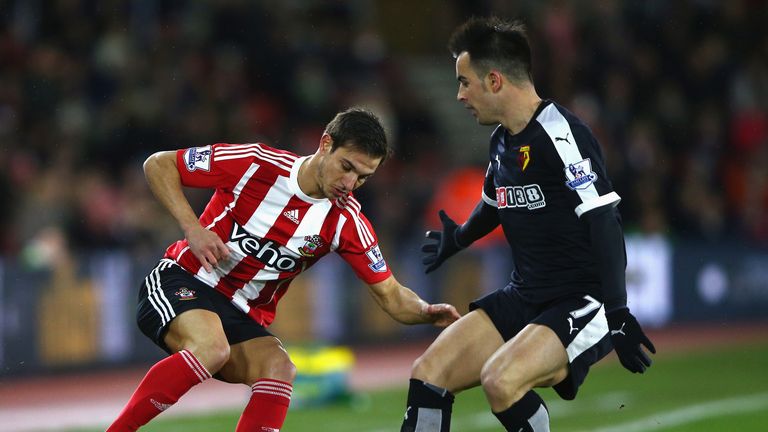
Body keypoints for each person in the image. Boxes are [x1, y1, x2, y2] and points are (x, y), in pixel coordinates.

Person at [107, 107, 460, 432]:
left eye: (363, 178)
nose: (350, 184)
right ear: (325, 144)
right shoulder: (256, 164)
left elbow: (391, 295)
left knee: (280, 368)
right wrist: (193, 229)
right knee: (211, 348)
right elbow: (158, 164)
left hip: (241, 313)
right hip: (183, 280)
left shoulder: (345, 222)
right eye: (347, 167)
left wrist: (428, 312)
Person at [399, 17, 655, 432]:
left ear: (495, 81)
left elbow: (605, 221)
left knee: (501, 380)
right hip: (526, 293)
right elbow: (493, 205)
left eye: (465, 82)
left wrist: (618, 312)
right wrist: (459, 238)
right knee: (429, 371)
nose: (459, 94)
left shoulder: (561, 134)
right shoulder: (501, 140)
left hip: (582, 299)